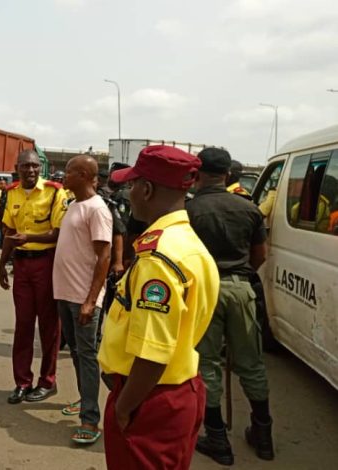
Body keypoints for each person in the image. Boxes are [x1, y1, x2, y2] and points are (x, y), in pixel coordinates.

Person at [98, 145, 220, 470]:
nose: (129, 193)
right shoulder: (187, 243)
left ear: (147, 189)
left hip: (149, 399)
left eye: (132, 185)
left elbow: (153, 353)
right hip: (178, 388)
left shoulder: (158, 258)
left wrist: (123, 408)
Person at [187, 148, 274, 465]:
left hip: (205, 290)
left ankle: (218, 439)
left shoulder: (189, 210)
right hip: (241, 287)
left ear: (197, 173)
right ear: (227, 174)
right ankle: (264, 436)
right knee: (251, 363)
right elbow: (259, 255)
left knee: (207, 364)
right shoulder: (249, 208)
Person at [0, 149, 68, 404]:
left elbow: (58, 233)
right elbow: (9, 231)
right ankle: (22, 382)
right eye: (25, 166)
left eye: (35, 166)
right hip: (22, 265)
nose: (30, 170)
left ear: (41, 168)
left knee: (49, 325)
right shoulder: (12, 193)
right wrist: (2, 264)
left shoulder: (54, 192)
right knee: (23, 325)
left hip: (46, 263)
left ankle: (47, 381)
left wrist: (29, 237)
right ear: (17, 168)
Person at [53, 155, 112, 445]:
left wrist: (90, 300)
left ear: (84, 175)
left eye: (69, 171)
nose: (64, 176)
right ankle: (84, 398)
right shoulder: (74, 205)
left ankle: (90, 419)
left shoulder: (97, 209)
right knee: (76, 352)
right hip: (65, 293)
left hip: (82, 297)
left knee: (87, 355)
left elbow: (104, 256)